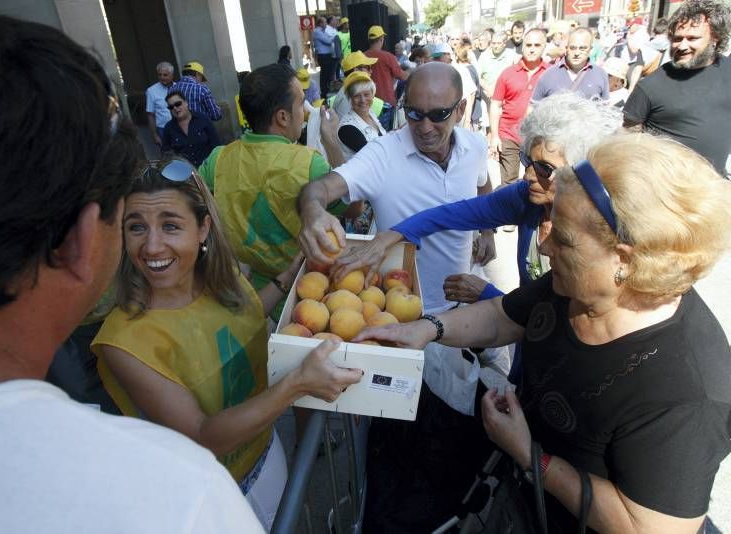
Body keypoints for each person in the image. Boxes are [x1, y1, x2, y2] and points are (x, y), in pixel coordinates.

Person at [0, 12, 263, 533]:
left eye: (171, 224)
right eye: (130, 222)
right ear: (86, 237)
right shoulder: (178, 495)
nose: (152, 245)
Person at [355, 133, 731, 533]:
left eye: (564, 240)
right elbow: (505, 316)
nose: (546, 248)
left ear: (623, 260)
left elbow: (649, 528)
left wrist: (529, 454)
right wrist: (428, 329)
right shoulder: (573, 285)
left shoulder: (688, 394)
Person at [92, 159, 362, 530]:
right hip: (213, 497)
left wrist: (290, 273)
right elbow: (203, 436)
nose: (151, 246)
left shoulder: (222, 282)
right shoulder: (123, 341)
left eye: (170, 225)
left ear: (203, 228)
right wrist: (297, 384)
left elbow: (242, 324)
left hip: (267, 452)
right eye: (136, 227)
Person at [296, 63, 496, 532]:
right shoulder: (384, 154)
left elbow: (486, 187)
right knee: (395, 451)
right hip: (393, 329)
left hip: (458, 320)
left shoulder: (474, 146)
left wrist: (486, 229)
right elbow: (320, 188)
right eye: (414, 114)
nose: (425, 127)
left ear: (461, 110)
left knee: (448, 442)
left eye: (438, 115)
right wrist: (311, 211)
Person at [385, 92, 621, 381]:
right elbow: (452, 214)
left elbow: (568, 322)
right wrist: (392, 237)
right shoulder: (528, 199)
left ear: (584, 172)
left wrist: (488, 296)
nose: (528, 176)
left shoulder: (601, 236)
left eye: (545, 169)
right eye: (527, 161)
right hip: (527, 353)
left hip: (570, 370)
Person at [198, 64, 347, 318]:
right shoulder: (309, 163)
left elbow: (192, 205)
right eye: (301, 104)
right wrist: (332, 141)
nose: (305, 112)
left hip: (255, 289)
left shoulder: (219, 158)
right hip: (312, 291)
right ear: (282, 117)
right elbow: (353, 206)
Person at [623, 0, 731, 175]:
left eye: (692, 38)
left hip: (714, 190)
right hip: (666, 193)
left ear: (715, 38)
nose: (682, 46)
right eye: (677, 38)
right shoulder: (650, 86)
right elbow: (626, 139)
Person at [489, 29, 549, 186]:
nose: (532, 49)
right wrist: (494, 136)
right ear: (522, 46)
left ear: (544, 47)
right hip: (509, 135)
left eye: (537, 45)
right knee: (508, 183)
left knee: (537, 182)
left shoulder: (551, 74)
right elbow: (495, 105)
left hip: (538, 137)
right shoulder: (508, 73)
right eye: (528, 44)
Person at [532, 27, 609, 102]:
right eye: (573, 48)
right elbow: (533, 107)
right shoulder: (548, 75)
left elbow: (605, 110)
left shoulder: (601, 74)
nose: (577, 53)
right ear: (566, 48)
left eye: (582, 48)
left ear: (590, 49)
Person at [365, 25, 409, 130]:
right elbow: (402, 76)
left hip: (367, 103)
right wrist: (412, 72)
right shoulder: (388, 57)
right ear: (381, 39)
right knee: (387, 134)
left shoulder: (362, 56)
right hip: (386, 102)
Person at [161, 91, 220, 168]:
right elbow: (166, 154)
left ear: (186, 102)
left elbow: (217, 145)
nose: (175, 108)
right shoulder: (168, 128)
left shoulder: (203, 119)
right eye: (171, 107)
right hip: (186, 174)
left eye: (178, 104)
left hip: (208, 168)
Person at [336, 72, 386, 160]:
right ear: (350, 99)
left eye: (366, 94)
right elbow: (374, 157)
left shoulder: (371, 114)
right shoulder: (347, 128)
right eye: (357, 96)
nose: (363, 100)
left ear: (372, 95)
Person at [331, 51, 383, 118]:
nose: (371, 71)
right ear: (357, 70)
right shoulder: (350, 95)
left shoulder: (349, 91)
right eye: (368, 68)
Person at [480, 32, 518, 103]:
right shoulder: (484, 56)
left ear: (504, 44)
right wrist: (488, 89)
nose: (496, 46)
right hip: (488, 96)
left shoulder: (511, 54)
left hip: (506, 96)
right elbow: (478, 76)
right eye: (493, 43)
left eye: (498, 43)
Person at [145, 61, 175, 147]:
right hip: (163, 130)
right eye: (159, 75)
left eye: (165, 75)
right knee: (168, 156)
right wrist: (155, 135)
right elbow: (150, 115)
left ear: (172, 75)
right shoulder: (151, 91)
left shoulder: (179, 87)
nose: (162, 77)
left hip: (180, 126)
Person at [312, 16, 335, 98]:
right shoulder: (317, 32)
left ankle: (326, 91)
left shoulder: (322, 31)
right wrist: (335, 36)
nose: (326, 24)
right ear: (320, 23)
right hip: (323, 56)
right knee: (325, 75)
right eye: (325, 22)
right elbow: (328, 41)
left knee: (328, 74)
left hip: (326, 55)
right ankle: (324, 93)